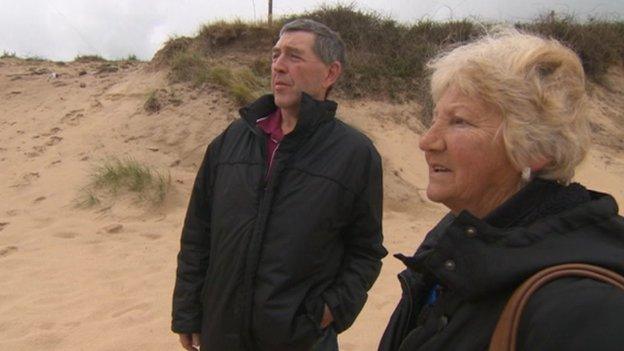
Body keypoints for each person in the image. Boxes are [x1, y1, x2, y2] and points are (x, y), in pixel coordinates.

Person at [379, 29, 624, 351]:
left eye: (460, 122)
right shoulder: (456, 237)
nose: (427, 141)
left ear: (534, 149)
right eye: (435, 119)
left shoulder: (583, 310)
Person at [172, 19, 387, 351]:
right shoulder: (231, 139)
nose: (278, 66)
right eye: (275, 55)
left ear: (330, 73)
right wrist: (187, 311)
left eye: (294, 56)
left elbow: (366, 251)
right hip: (221, 333)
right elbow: (198, 233)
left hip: (298, 338)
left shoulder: (355, 155)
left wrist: (329, 311)